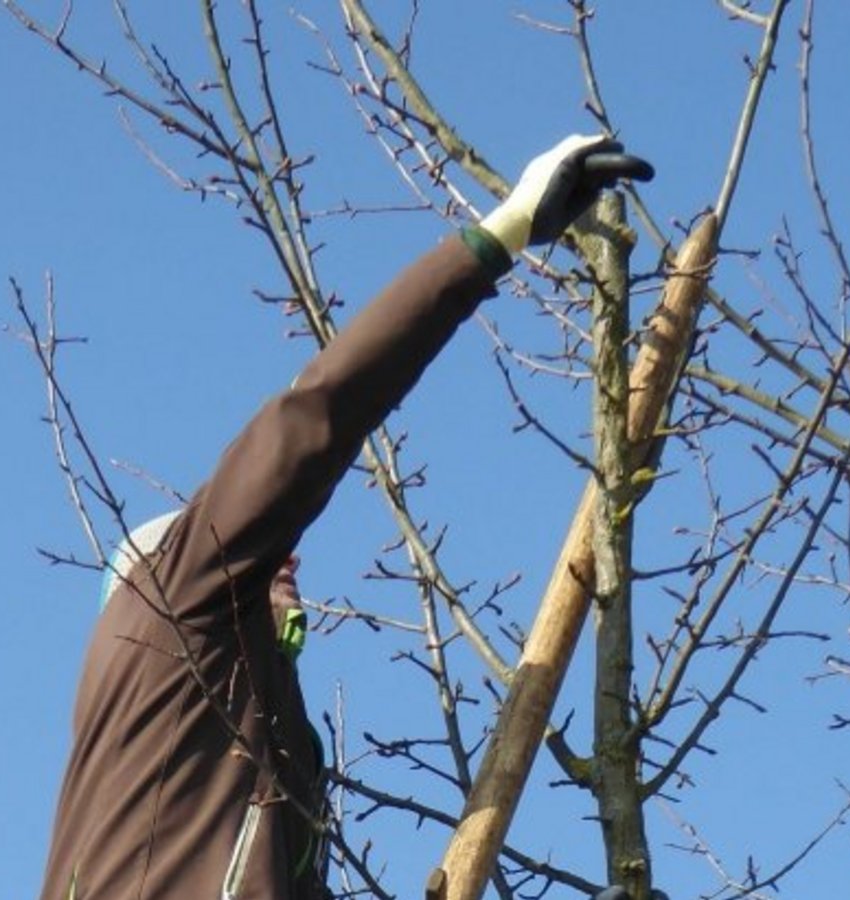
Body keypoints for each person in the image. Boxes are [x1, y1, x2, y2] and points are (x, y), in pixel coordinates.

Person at [40, 135, 655, 899]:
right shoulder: (176, 596)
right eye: (261, 555)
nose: (289, 559)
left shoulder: (248, 750)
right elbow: (315, 418)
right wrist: (501, 234)